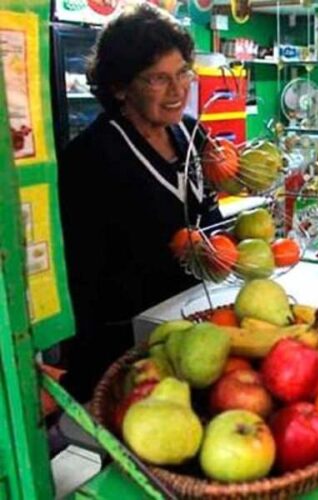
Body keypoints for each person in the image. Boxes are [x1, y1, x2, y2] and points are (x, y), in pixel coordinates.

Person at [58, 4, 221, 401]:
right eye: (158, 79)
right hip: (127, 351)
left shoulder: (191, 133)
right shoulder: (91, 158)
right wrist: (175, 253)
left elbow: (209, 216)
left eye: (183, 72)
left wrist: (224, 251)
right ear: (119, 86)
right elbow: (85, 278)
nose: (178, 90)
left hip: (194, 334)